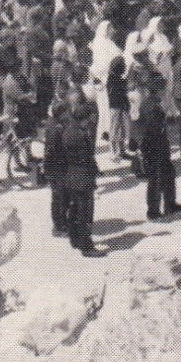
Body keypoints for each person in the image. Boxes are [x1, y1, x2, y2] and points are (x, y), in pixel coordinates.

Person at [62, 94, 103, 256]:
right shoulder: (78, 135)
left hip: (72, 176)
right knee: (84, 213)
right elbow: (86, 157)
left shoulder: (69, 129)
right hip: (82, 177)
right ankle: (87, 246)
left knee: (74, 210)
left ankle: (75, 239)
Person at [137, 84, 180, 220]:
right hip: (155, 148)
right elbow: (154, 128)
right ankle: (154, 211)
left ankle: (169, 204)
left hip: (156, 146)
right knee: (156, 179)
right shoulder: (153, 107)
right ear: (159, 90)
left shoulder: (148, 103)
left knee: (167, 175)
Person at [44, 97, 70, 237]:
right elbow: (52, 151)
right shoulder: (56, 128)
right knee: (59, 197)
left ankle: (62, 222)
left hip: (56, 168)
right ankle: (59, 226)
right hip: (57, 168)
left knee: (62, 196)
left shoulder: (55, 124)